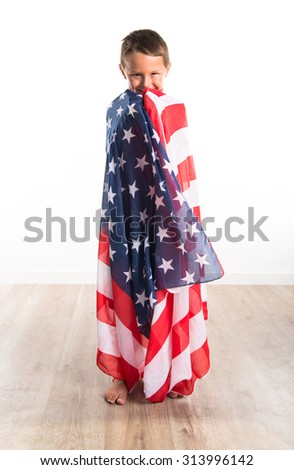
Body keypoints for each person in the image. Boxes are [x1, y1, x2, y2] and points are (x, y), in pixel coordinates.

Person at [96, 29, 224, 405]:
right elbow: (115, 171)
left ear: (167, 69)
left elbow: (183, 169)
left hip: (167, 218)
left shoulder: (172, 109)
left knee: (168, 289)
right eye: (137, 74)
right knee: (126, 289)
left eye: (155, 75)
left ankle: (171, 369)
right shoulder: (117, 109)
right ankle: (123, 373)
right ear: (123, 70)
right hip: (127, 218)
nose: (146, 83)